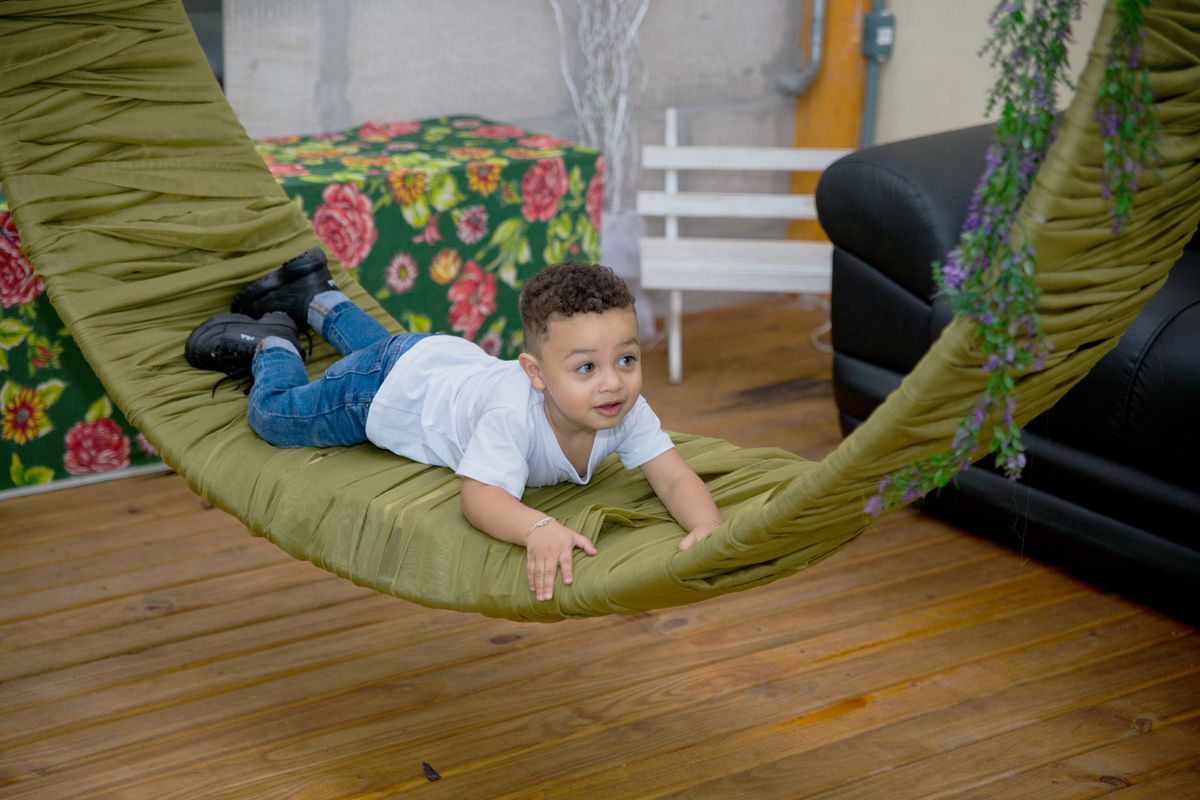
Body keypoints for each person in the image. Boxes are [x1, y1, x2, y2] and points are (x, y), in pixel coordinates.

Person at [186, 251, 723, 601]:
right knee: (276, 415)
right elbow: (481, 499)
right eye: (586, 367)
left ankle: (315, 296)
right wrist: (540, 528)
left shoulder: (623, 410)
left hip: (432, 359)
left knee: (381, 349)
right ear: (534, 373)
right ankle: (274, 340)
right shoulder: (513, 416)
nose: (613, 383)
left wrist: (706, 525)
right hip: (379, 394)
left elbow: (673, 477)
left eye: (626, 360)